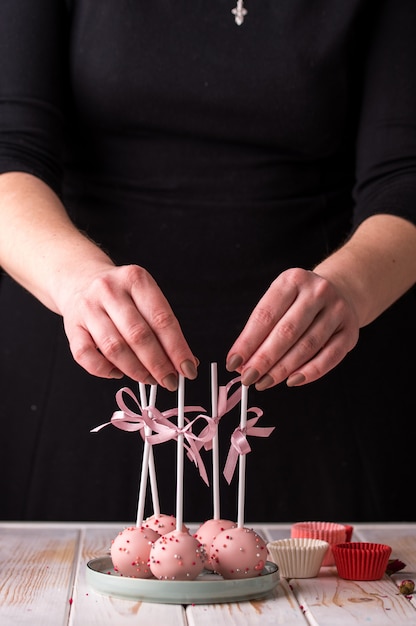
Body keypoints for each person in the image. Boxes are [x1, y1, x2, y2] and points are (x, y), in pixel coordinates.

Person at [0, 0, 415, 524]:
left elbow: (405, 173)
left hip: (322, 377)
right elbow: (9, 149)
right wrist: (76, 279)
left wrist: (352, 287)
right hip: (83, 368)